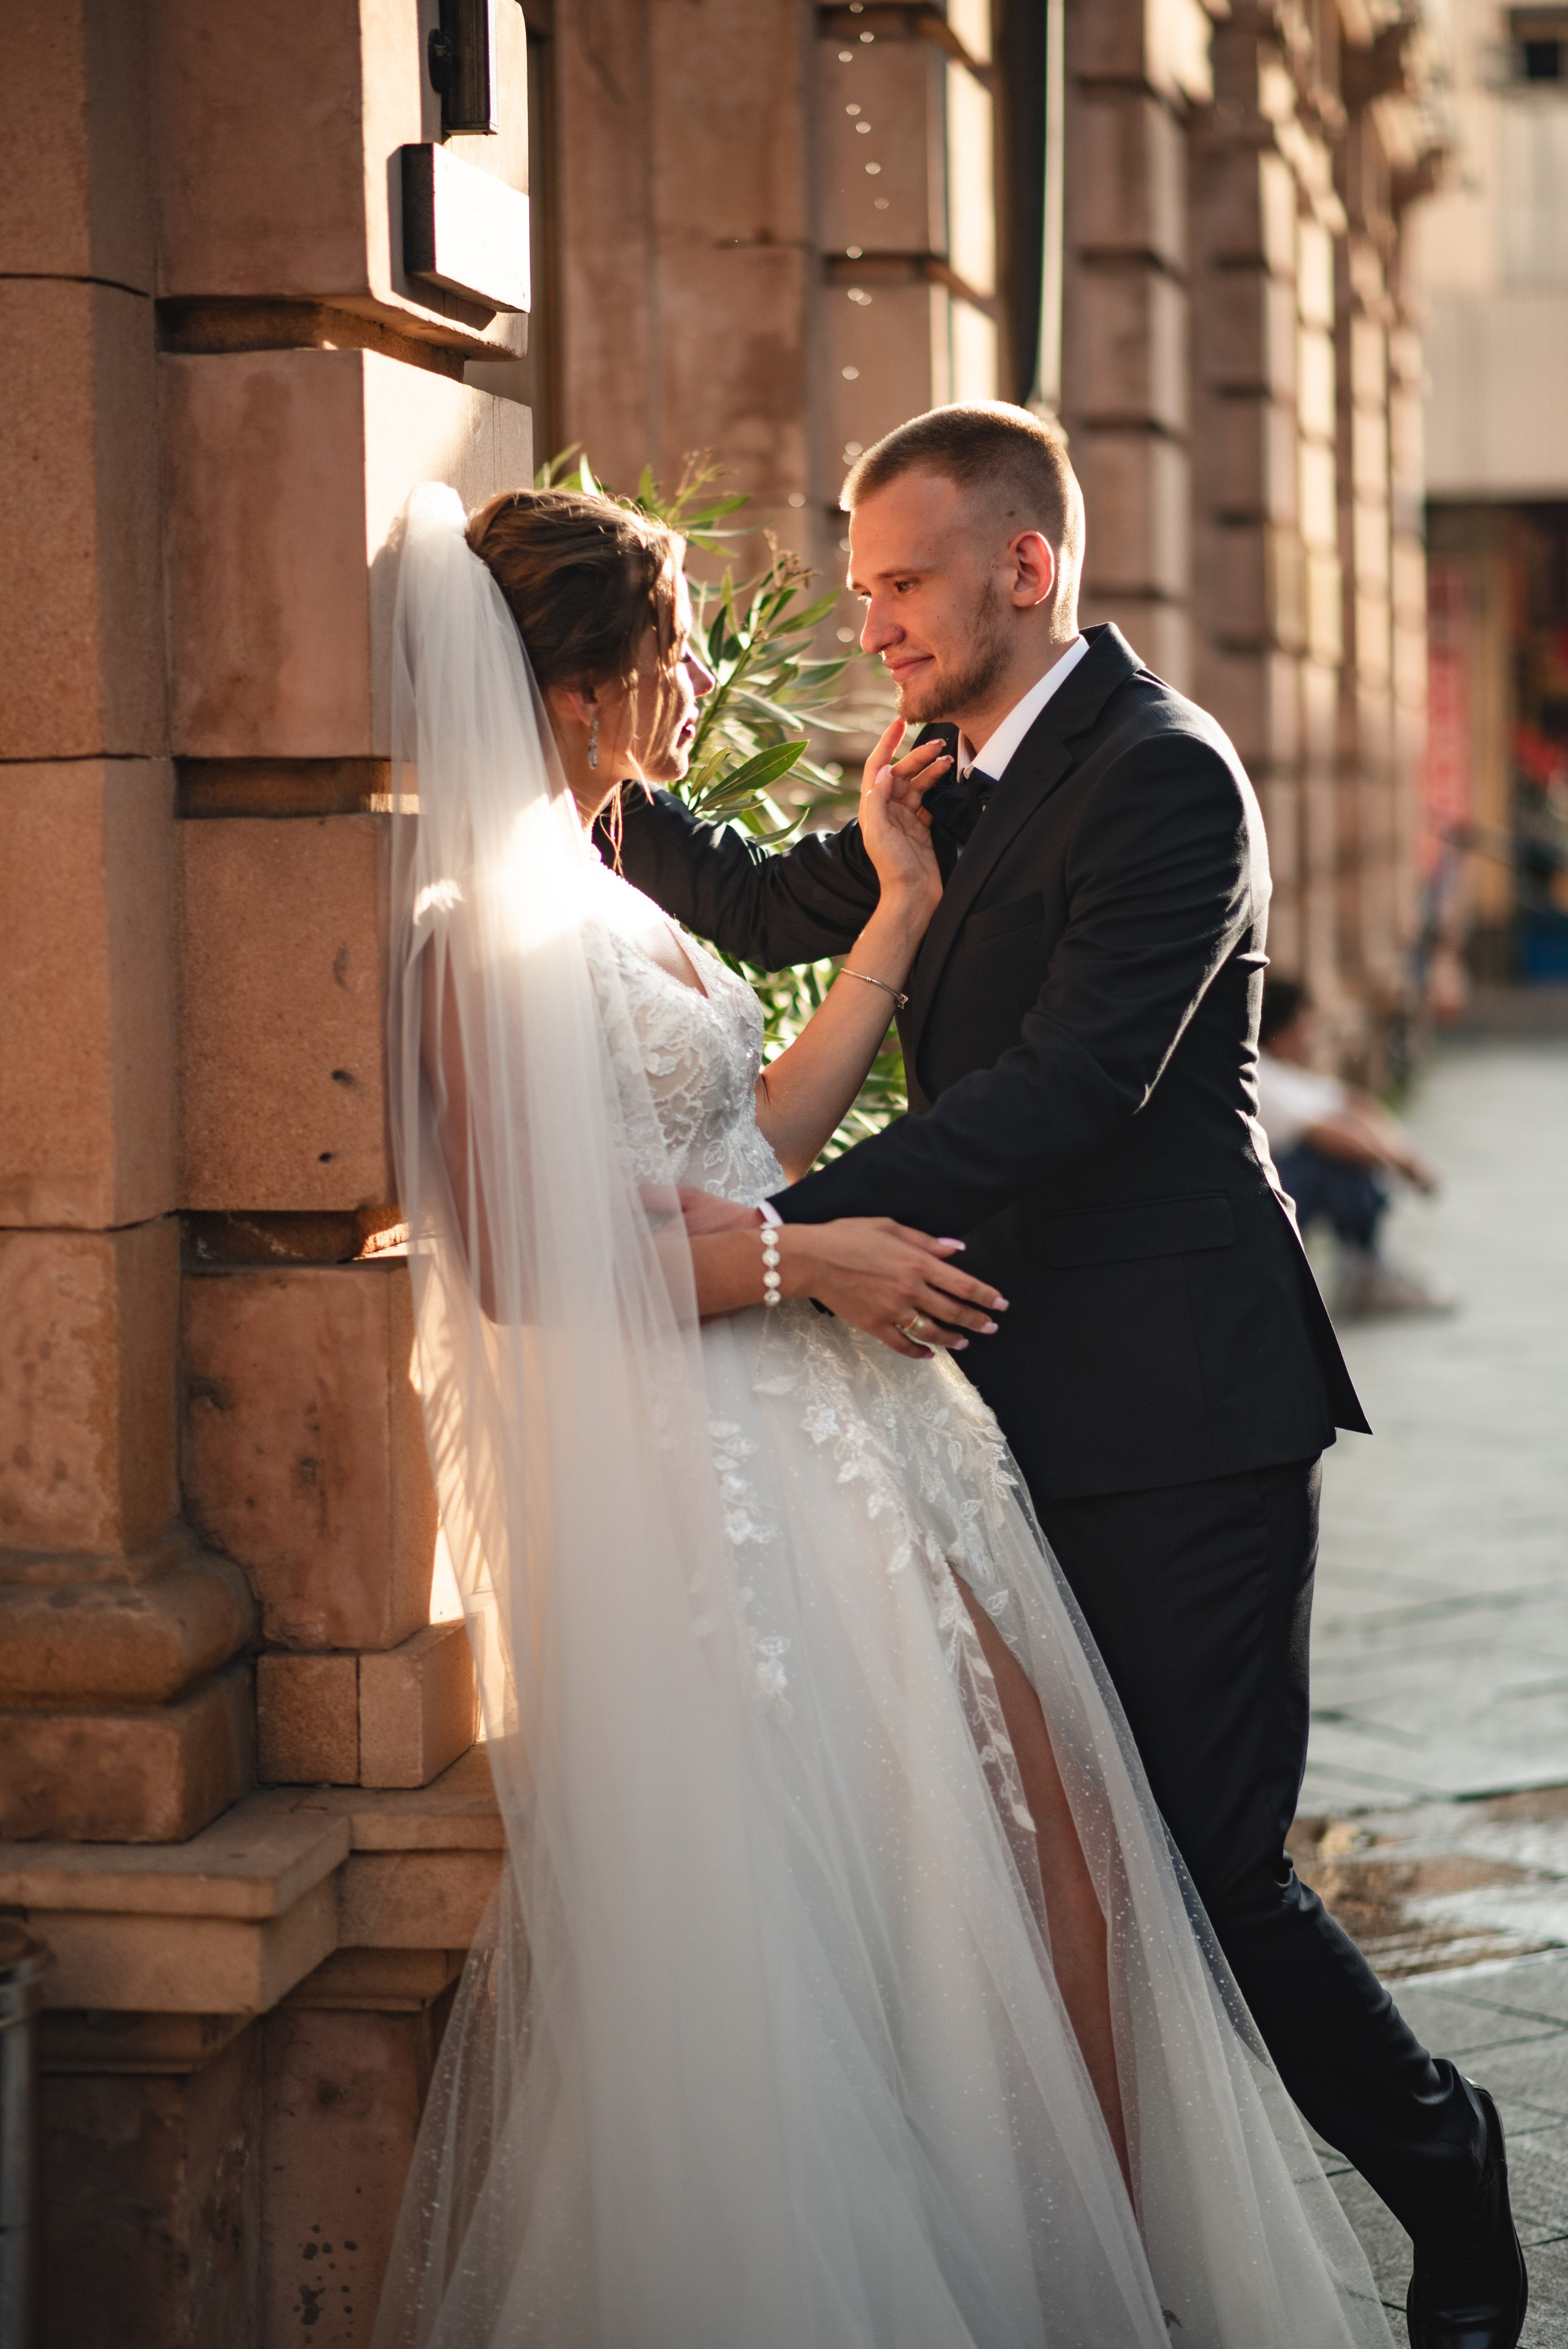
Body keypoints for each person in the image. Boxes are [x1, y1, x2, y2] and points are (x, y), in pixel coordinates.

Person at [373, 480, 1403, 2347]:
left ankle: (1086, 2284)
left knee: (1050, 1868)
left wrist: (901, 907)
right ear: (587, 692)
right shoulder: (472, 932)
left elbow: (749, 1139)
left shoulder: (596, 889)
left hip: (835, 1419)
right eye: (676, 653)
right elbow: (533, 1266)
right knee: (895, 1908)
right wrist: (807, 1261)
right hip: (720, 1462)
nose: (700, 684)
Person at [614, 402, 1527, 2349]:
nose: (873, 625)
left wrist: (775, 1244)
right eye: (861, 588)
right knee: (1059, 1863)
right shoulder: (948, 774)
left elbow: (1074, 1086)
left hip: (1184, 1408)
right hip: (993, 1402)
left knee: (1205, 1873)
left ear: (1024, 567)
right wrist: (575, 755)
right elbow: (774, 911)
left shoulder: (1164, 777)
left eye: (902, 585)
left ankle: (1452, 2174)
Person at [1257, 977, 1453, 1317]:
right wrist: (1396, 1166)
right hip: (1265, 1202)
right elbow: (1327, 1134)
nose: (1312, 1037)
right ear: (1283, 1031)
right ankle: (1365, 1274)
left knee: (1353, 1149)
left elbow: (1355, 1104)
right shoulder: (1261, 1077)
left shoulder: (1288, 1076)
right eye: (1306, 1026)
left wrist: (1406, 1157)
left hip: (1284, 1190)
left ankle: (1366, 1268)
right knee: (1340, 1162)